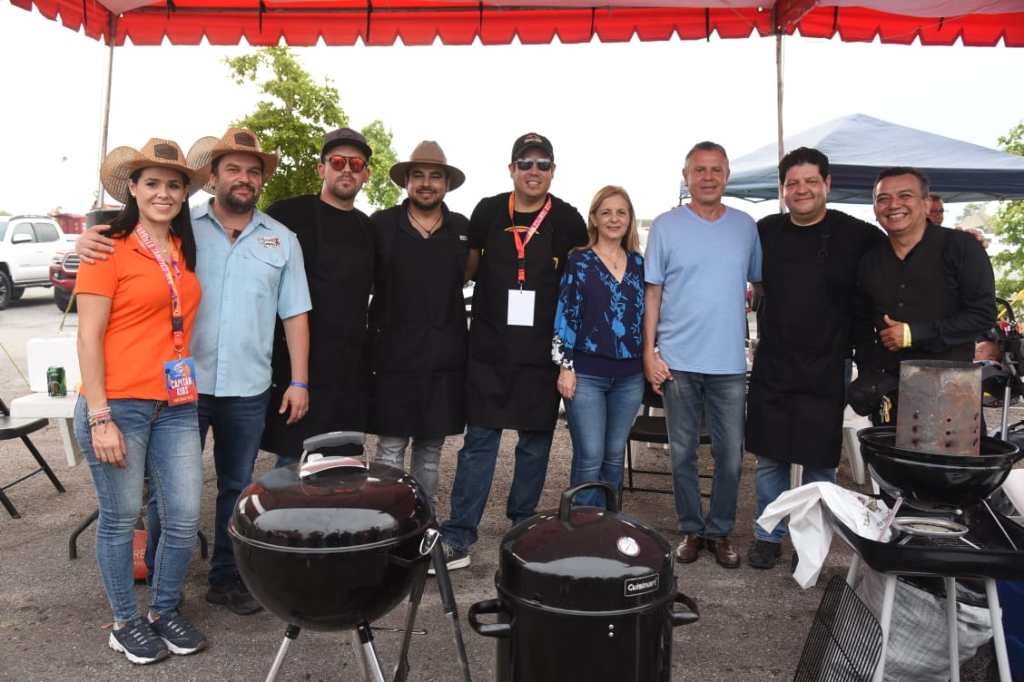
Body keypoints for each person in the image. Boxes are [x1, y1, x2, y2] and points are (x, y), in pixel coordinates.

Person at [76, 128, 313, 616]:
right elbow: (119, 257)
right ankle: (166, 590)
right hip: (178, 389)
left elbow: (295, 314)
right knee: (166, 498)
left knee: (235, 486)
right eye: (232, 168)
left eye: (253, 170)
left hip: (247, 386)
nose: (243, 178)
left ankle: (227, 579)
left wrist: (299, 380)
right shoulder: (184, 228)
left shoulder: (281, 240)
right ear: (212, 177)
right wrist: (86, 241)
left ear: (262, 179)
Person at [74, 138, 208, 663]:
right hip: (119, 404)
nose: (164, 192)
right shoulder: (108, 245)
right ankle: (125, 620)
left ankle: (165, 610)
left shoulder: (183, 246)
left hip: (176, 402)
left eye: (174, 185)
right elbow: (88, 338)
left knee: (180, 515)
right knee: (121, 514)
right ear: (132, 188)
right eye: (152, 182)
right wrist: (101, 416)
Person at [437, 132, 588, 570]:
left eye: (543, 164)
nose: (534, 171)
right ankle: (459, 533)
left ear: (553, 171)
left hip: (540, 352)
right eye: (526, 163)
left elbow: (578, 283)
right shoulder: (487, 210)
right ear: (511, 169)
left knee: (535, 445)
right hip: (489, 348)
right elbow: (466, 268)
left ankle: (522, 526)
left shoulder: (568, 218)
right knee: (479, 444)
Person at [744, 147, 884, 570]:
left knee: (820, 462)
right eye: (792, 183)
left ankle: (811, 543)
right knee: (770, 458)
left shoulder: (858, 235)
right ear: (783, 190)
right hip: (773, 360)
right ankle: (768, 534)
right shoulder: (765, 230)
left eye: (810, 182)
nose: (801, 190)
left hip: (828, 362)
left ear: (827, 184)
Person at [643, 141, 761, 570]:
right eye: (699, 170)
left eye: (716, 169)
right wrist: (649, 352)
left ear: (727, 175)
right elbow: (652, 293)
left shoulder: (746, 226)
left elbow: (760, 286)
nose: (707, 177)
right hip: (677, 360)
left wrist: (758, 342)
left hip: (729, 362)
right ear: (686, 176)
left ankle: (720, 529)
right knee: (682, 453)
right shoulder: (665, 226)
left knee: (731, 454)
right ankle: (692, 528)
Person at [262, 128, 376, 461]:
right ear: (321, 168)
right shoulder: (285, 214)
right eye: (338, 161)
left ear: (366, 174)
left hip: (348, 374)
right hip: (295, 366)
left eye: (356, 164)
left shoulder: (369, 229)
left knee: (342, 470)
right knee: (291, 469)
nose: (347, 169)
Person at [852, 167, 995, 426]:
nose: (893, 205)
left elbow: (983, 314)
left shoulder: (962, 248)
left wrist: (913, 333)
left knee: (951, 467)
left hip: (952, 395)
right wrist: (868, 375)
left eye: (905, 195)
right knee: (890, 467)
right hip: (890, 398)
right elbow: (861, 324)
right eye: (883, 198)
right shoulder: (868, 260)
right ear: (874, 207)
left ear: (926, 203)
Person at [367, 141, 470, 500]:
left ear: (446, 183)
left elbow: (467, 277)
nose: (427, 183)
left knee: (429, 455)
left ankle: (422, 526)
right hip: (393, 359)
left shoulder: (461, 229)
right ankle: (387, 529)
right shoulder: (381, 224)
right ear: (407, 182)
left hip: (443, 360)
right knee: (390, 451)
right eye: (419, 176)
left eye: (435, 176)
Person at [552, 185, 645, 508]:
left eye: (621, 212)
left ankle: (609, 530)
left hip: (630, 377)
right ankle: (583, 533)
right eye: (606, 212)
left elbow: (647, 318)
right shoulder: (579, 261)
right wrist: (566, 367)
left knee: (614, 456)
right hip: (587, 374)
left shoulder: (638, 264)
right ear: (594, 218)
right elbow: (566, 315)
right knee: (590, 455)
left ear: (630, 218)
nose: (614, 218)